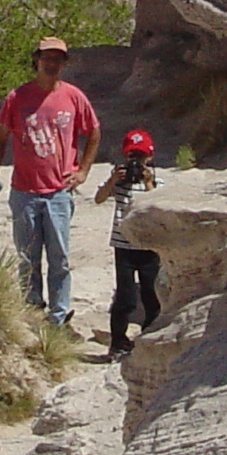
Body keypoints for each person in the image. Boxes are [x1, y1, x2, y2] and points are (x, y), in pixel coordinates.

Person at [0, 35, 97, 327]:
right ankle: (32, 309)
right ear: (36, 60)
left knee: (59, 258)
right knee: (27, 257)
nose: (51, 63)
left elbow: (93, 131)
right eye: (47, 58)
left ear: (64, 63)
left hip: (59, 191)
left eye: (57, 59)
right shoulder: (17, 98)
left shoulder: (73, 97)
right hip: (25, 191)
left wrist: (83, 170)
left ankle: (59, 316)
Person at [92, 127, 161, 358]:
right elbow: (99, 199)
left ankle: (149, 338)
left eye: (140, 157)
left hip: (149, 247)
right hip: (124, 246)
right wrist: (113, 180)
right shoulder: (119, 181)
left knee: (152, 294)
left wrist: (149, 182)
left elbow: (157, 206)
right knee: (125, 296)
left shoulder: (155, 180)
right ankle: (118, 343)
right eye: (133, 157)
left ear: (149, 157)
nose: (136, 162)